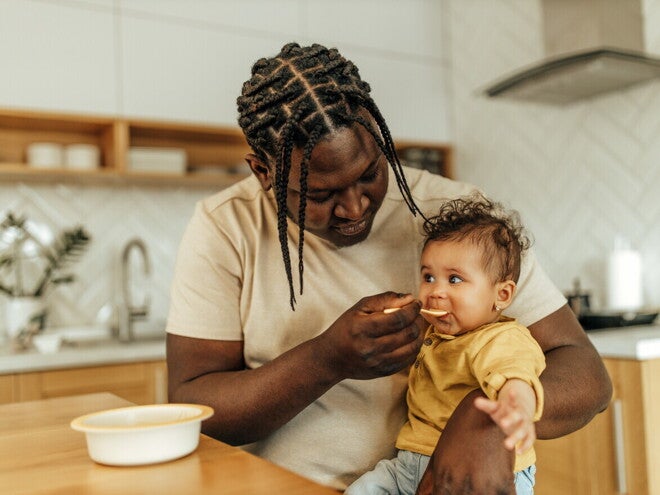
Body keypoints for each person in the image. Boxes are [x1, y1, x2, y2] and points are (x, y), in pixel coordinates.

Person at [165, 42, 612, 494]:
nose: (356, 207)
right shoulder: (225, 226)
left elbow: (586, 374)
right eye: (321, 195)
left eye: (369, 173)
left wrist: (485, 416)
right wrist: (327, 359)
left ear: (380, 138)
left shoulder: (463, 223)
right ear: (263, 172)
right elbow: (193, 406)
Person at [346, 195, 545, 495]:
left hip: (479, 474)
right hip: (408, 465)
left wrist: (517, 407)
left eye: (454, 279)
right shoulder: (434, 333)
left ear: (502, 295)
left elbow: (515, 377)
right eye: (428, 276)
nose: (435, 291)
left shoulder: (500, 340)